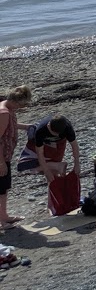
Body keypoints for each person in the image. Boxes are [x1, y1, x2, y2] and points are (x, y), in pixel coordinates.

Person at [0, 85, 31, 226]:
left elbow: (10, 125)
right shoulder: (4, 112)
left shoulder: (7, 108)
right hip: (1, 156)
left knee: (3, 187)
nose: (21, 107)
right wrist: (1, 162)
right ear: (15, 101)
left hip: (6, 155)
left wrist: (25, 126)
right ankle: (3, 218)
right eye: (21, 105)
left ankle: (4, 216)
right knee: (1, 187)